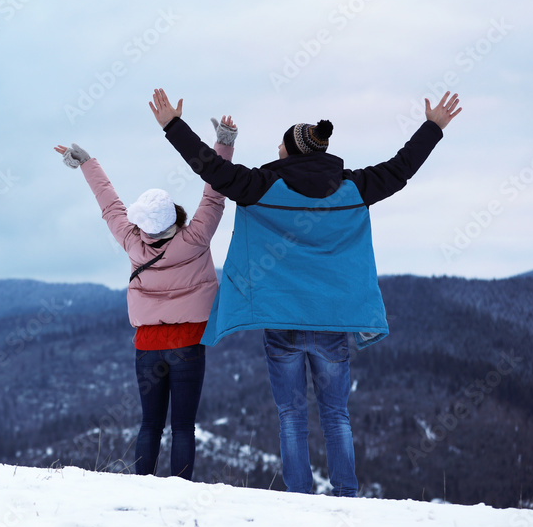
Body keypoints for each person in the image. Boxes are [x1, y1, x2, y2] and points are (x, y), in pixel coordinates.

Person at [149, 87, 462, 496]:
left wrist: (173, 126)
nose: (276, 148)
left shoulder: (260, 186)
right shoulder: (355, 187)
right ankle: (347, 495)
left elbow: (208, 168)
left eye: (281, 144)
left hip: (283, 322)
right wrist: (433, 127)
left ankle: (299, 499)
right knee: (337, 416)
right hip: (332, 322)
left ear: (292, 152)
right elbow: (401, 168)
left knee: (291, 417)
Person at [54, 105, 237, 480]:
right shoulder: (196, 237)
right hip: (188, 342)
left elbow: (109, 205)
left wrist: (88, 164)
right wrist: (223, 145)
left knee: (149, 425)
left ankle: (142, 488)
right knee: (183, 426)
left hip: (147, 346)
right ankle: (180, 491)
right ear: (175, 215)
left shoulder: (132, 242)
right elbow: (215, 194)